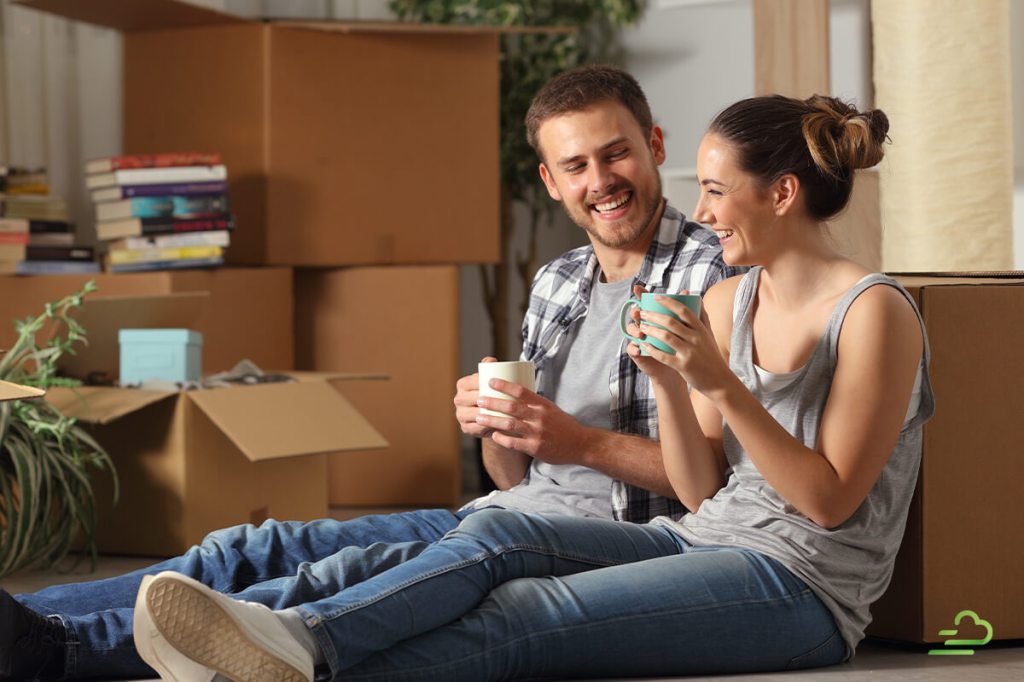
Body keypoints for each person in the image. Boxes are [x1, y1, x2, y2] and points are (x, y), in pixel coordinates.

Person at [117, 92, 935, 681]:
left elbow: (827, 502)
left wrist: (718, 383)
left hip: (800, 589)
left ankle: (302, 657)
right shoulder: (730, 298)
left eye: (717, 189)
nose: (704, 208)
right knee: (502, 543)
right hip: (705, 536)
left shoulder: (873, 313)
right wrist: (674, 385)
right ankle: (295, 638)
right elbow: (700, 486)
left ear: (781, 193)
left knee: (529, 617)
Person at [0, 65, 738, 681]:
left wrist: (574, 441)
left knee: (315, 584)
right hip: (502, 516)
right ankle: (24, 625)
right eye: (576, 166)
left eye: (616, 155)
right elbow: (511, 476)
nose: (600, 181)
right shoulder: (559, 281)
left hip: (610, 545)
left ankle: (57, 653)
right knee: (245, 549)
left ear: (654, 145)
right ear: (549, 180)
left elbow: (718, 481)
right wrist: (493, 425)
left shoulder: (717, 277)